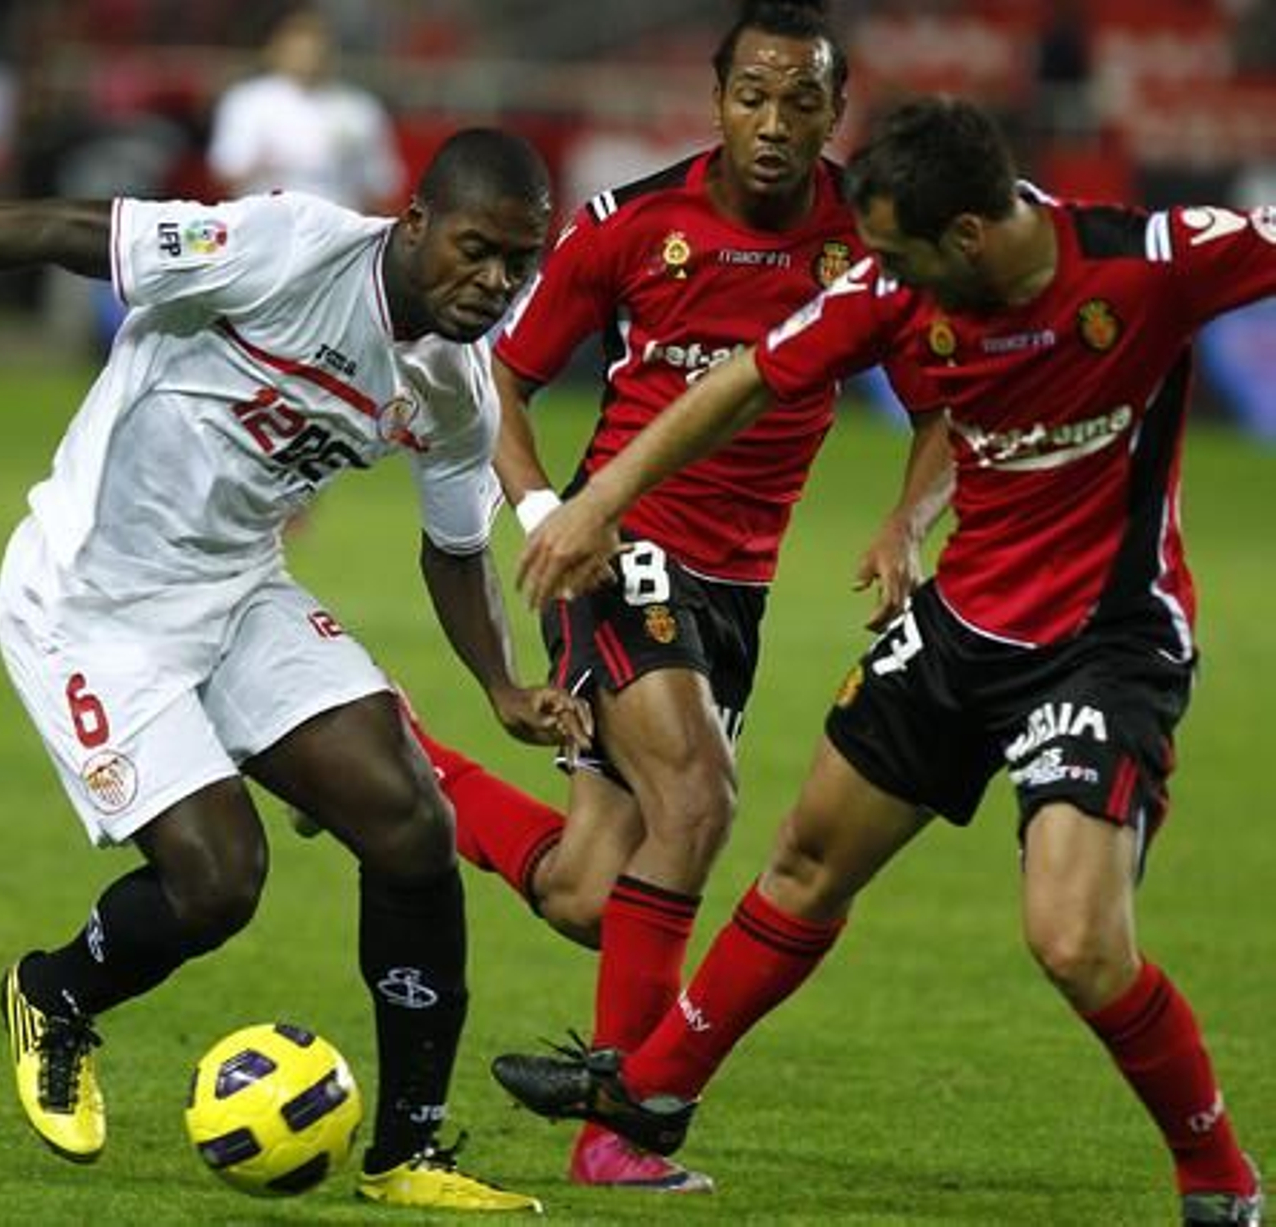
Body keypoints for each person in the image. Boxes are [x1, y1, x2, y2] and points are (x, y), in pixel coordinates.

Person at [0, 127, 591, 1214]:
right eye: (476, 249)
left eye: (520, 261)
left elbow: (455, 548)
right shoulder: (286, 246)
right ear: (415, 222)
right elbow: (63, 229)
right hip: (90, 601)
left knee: (411, 822)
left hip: (238, 594)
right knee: (219, 883)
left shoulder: (455, 387)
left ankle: (407, 1151)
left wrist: (502, 688)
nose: (495, 283)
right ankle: (54, 993)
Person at [490, 97, 1268, 1225]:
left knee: (1073, 941)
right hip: (959, 629)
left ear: (967, 237)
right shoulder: (893, 285)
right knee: (803, 858)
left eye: (898, 256)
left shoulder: (1151, 262)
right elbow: (744, 380)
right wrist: (598, 500)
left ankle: (1218, 1179)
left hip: (1103, 646)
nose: (881, 282)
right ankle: (650, 1097)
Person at [394, 0, 952, 1194]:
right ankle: (619, 1125)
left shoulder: (867, 238)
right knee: (698, 796)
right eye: (750, 95)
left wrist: (909, 517)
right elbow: (502, 370)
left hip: (735, 593)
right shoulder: (633, 226)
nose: (771, 123)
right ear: (715, 102)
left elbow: (943, 398)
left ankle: (402, 761)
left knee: (595, 893)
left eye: (799, 100)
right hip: (619, 551)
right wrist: (547, 512)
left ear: (832, 113)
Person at [207, 5, 405, 213]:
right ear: (276, 52)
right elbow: (227, 171)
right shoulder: (248, 101)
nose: (309, 58)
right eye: (299, 50)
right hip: (268, 220)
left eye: (316, 49)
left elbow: (382, 184)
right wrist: (276, 160)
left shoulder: (359, 108)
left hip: (339, 221)